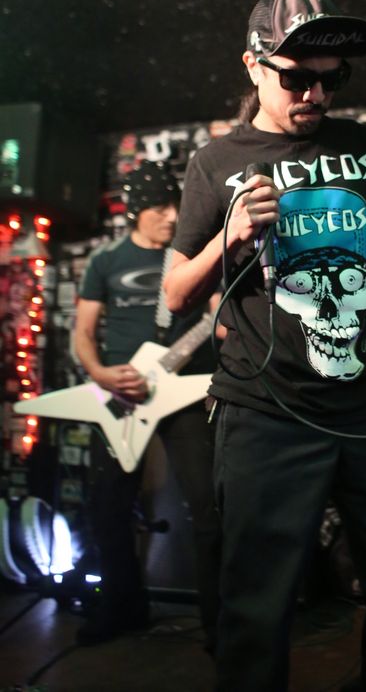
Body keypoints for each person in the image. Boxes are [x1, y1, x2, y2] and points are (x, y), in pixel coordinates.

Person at [164, 0, 366, 691]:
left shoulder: (359, 147)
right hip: (264, 410)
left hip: (363, 406)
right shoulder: (215, 163)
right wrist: (228, 236)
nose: (314, 95)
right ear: (253, 66)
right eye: (296, 79)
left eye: (331, 80)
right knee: (257, 612)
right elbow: (176, 292)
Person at [74, 161, 221, 649]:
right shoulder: (106, 261)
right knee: (107, 507)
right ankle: (124, 608)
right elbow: (83, 333)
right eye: (160, 207)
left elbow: (220, 320)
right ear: (136, 210)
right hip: (121, 398)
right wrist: (100, 373)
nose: (172, 215)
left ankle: (220, 622)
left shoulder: (192, 256)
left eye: (175, 205)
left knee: (209, 506)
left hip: (184, 394)